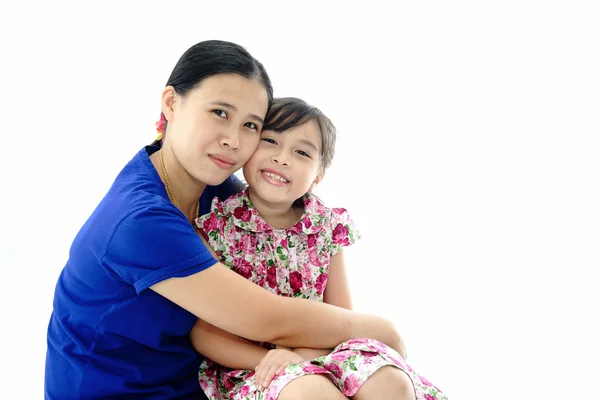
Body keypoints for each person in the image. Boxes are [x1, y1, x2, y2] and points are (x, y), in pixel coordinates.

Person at [44, 40, 405, 399]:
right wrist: (383, 331)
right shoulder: (139, 221)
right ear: (171, 103)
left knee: (383, 382)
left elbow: (304, 237)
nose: (233, 140)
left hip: (193, 384)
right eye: (219, 112)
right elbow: (266, 319)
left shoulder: (219, 193)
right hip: (122, 393)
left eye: (250, 125)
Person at [192, 98, 448, 400]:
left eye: (301, 152)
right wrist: (272, 361)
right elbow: (206, 335)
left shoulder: (326, 225)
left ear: (317, 176)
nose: (282, 158)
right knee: (309, 391)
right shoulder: (218, 226)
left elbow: (341, 321)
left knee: (389, 381)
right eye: (270, 141)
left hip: (320, 351)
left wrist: (301, 355)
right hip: (253, 367)